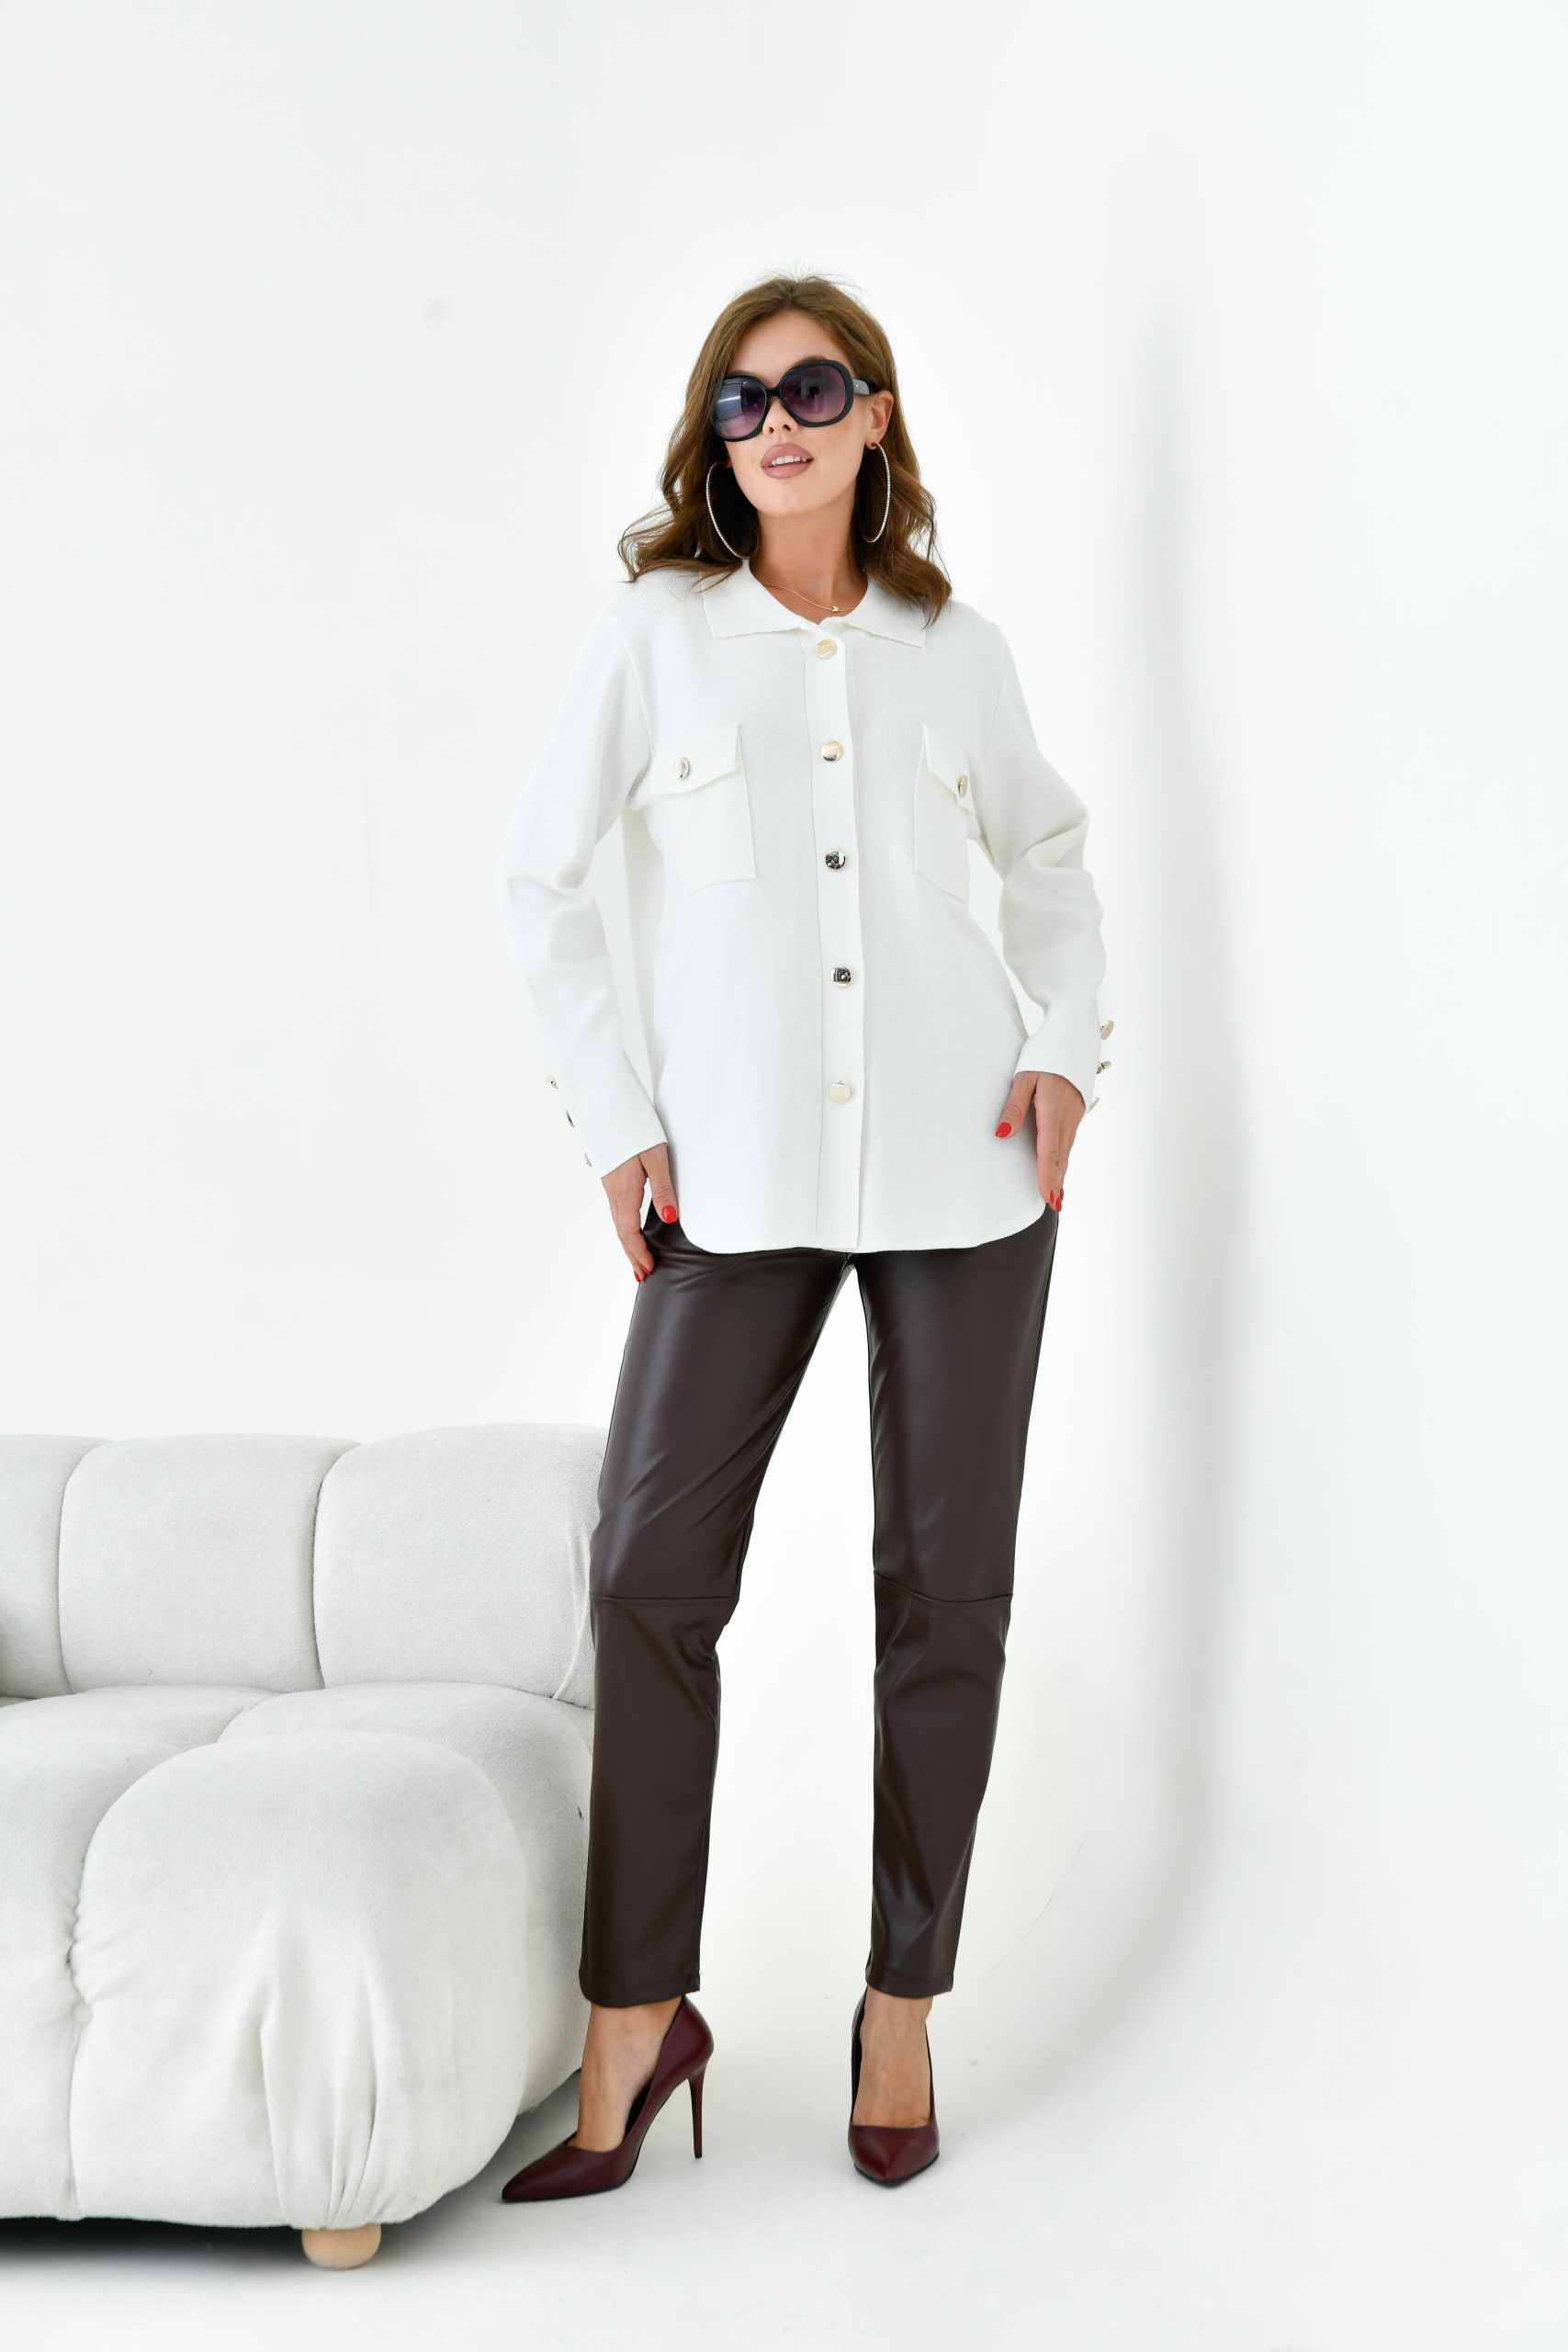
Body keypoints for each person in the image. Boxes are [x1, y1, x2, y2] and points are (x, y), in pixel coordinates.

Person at [493, 273, 1111, 2196]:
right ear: (715, 436)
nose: (776, 424)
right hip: (731, 1181)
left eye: (813, 389)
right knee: (647, 1576)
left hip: (963, 1171)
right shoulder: (654, 638)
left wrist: (1064, 1050)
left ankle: (901, 2000)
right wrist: (617, 1120)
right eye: (741, 401)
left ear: (874, 416)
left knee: (947, 1593)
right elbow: (540, 882)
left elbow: (1050, 857)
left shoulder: (955, 649)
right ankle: (636, 2005)